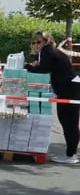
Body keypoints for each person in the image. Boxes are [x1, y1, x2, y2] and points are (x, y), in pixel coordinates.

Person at [25, 30, 80, 164]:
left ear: (46, 41)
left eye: (39, 42)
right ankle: (71, 153)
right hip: (69, 87)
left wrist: (28, 66)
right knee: (67, 121)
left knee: (69, 122)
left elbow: (44, 69)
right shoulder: (49, 51)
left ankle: (71, 155)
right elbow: (48, 67)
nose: (36, 45)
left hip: (70, 88)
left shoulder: (47, 51)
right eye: (34, 42)